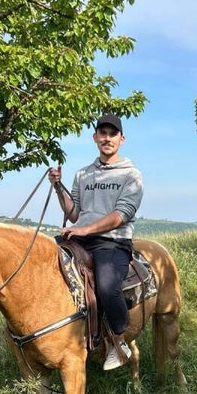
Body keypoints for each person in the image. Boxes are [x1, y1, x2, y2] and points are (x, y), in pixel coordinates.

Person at [48, 113, 144, 370]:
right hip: (81, 238)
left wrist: (85, 229)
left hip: (112, 242)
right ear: (95, 138)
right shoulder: (82, 174)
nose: (107, 138)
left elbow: (120, 215)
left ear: (121, 139)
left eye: (113, 134)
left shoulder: (131, 174)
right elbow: (74, 213)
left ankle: (119, 342)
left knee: (106, 286)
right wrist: (58, 187)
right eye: (103, 133)